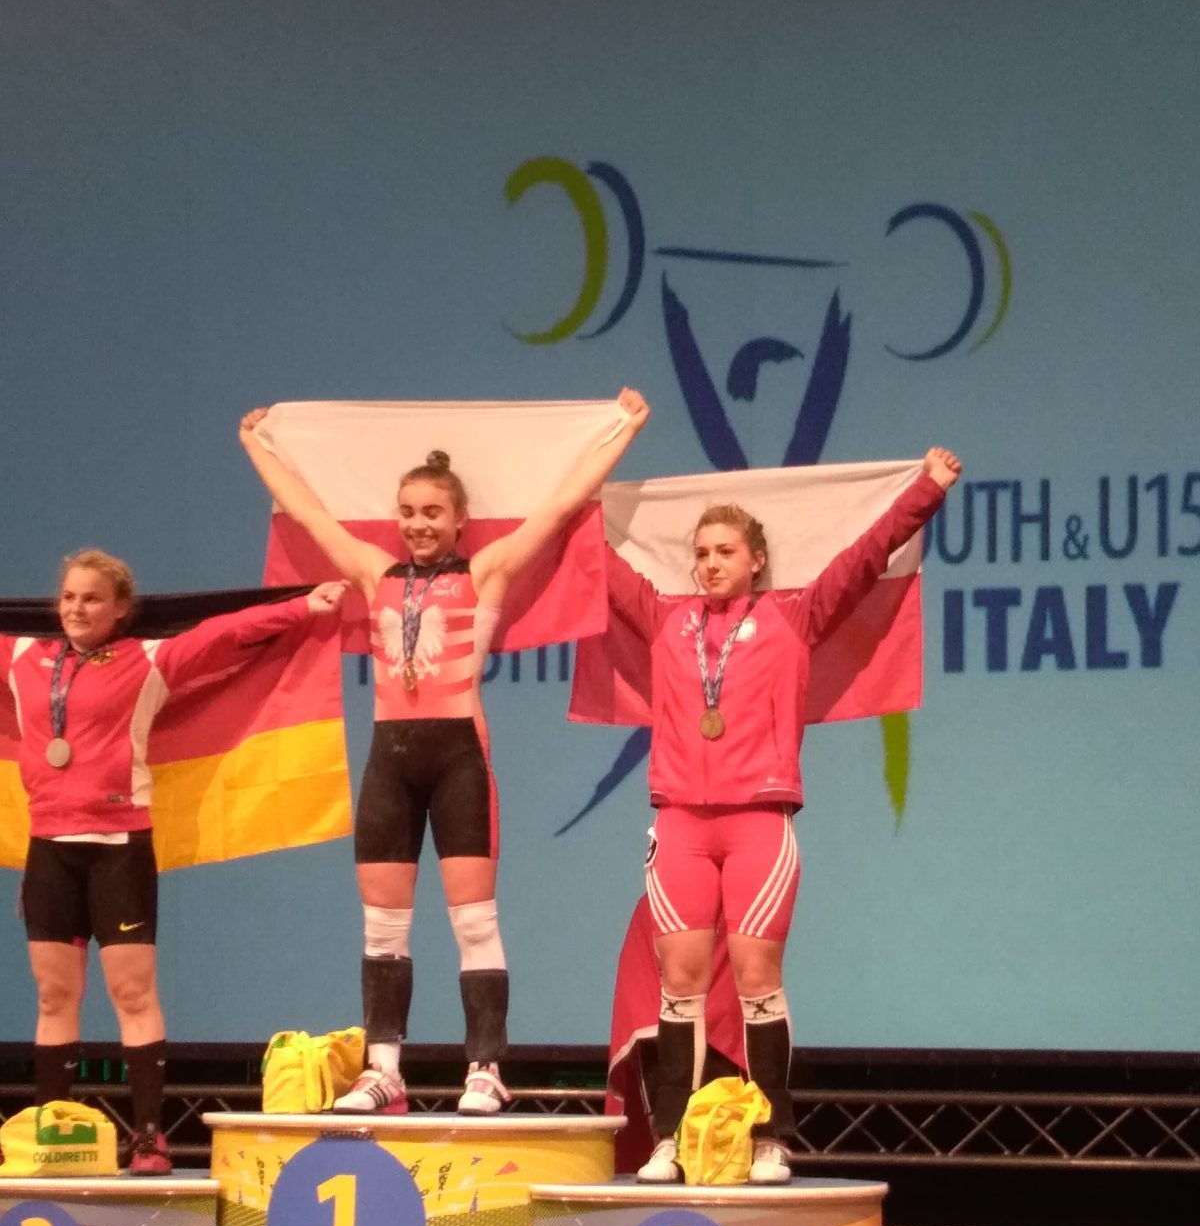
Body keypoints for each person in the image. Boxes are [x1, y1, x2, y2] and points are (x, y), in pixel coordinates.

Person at [239, 390, 650, 1115]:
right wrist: (256, 446)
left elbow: (560, 506)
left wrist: (624, 428)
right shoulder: (373, 573)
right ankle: (384, 1071)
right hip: (389, 763)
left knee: (474, 921)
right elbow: (308, 514)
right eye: (407, 512)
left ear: (460, 520)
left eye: (432, 512)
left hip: (459, 757)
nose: (418, 524)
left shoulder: (485, 571)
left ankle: (485, 1069)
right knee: (382, 928)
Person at [600, 448, 962, 1183]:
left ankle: (771, 1135)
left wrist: (926, 490)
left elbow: (865, 558)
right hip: (680, 823)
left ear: (757, 561)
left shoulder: (793, 618)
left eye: (725, 552)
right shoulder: (665, 620)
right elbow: (599, 566)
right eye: (701, 553)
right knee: (681, 982)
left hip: (759, 822)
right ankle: (672, 1137)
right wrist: (571, 493)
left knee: (757, 976)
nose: (710, 563)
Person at [0, 550, 344, 1173]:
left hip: (119, 851)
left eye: (92, 598)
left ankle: (148, 1136)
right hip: (49, 850)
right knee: (54, 996)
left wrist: (303, 608)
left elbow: (224, 635)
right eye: (69, 597)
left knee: (132, 993)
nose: (76, 608)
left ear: (121, 609)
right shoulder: (24, 655)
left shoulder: (148, 660)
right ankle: (51, 1131)